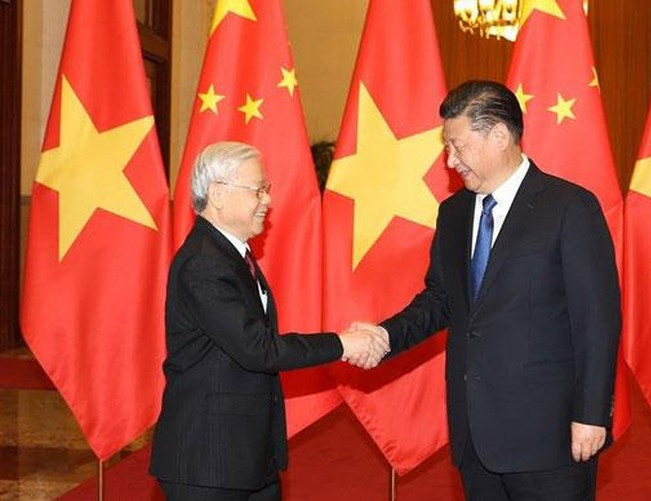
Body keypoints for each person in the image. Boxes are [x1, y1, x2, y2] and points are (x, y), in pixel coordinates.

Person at [356, 81, 621, 500]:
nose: (450, 160)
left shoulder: (569, 207)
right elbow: (441, 299)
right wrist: (385, 336)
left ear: (499, 135)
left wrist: (591, 413)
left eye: (458, 146)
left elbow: (597, 320)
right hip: (474, 433)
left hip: (549, 436)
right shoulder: (454, 212)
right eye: (447, 147)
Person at [150, 141, 387, 500]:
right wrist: (342, 344)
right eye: (257, 189)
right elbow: (257, 349)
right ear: (218, 194)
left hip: (245, 455)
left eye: (266, 189)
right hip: (207, 459)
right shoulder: (203, 263)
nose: (267, 200)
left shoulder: (231, 254)